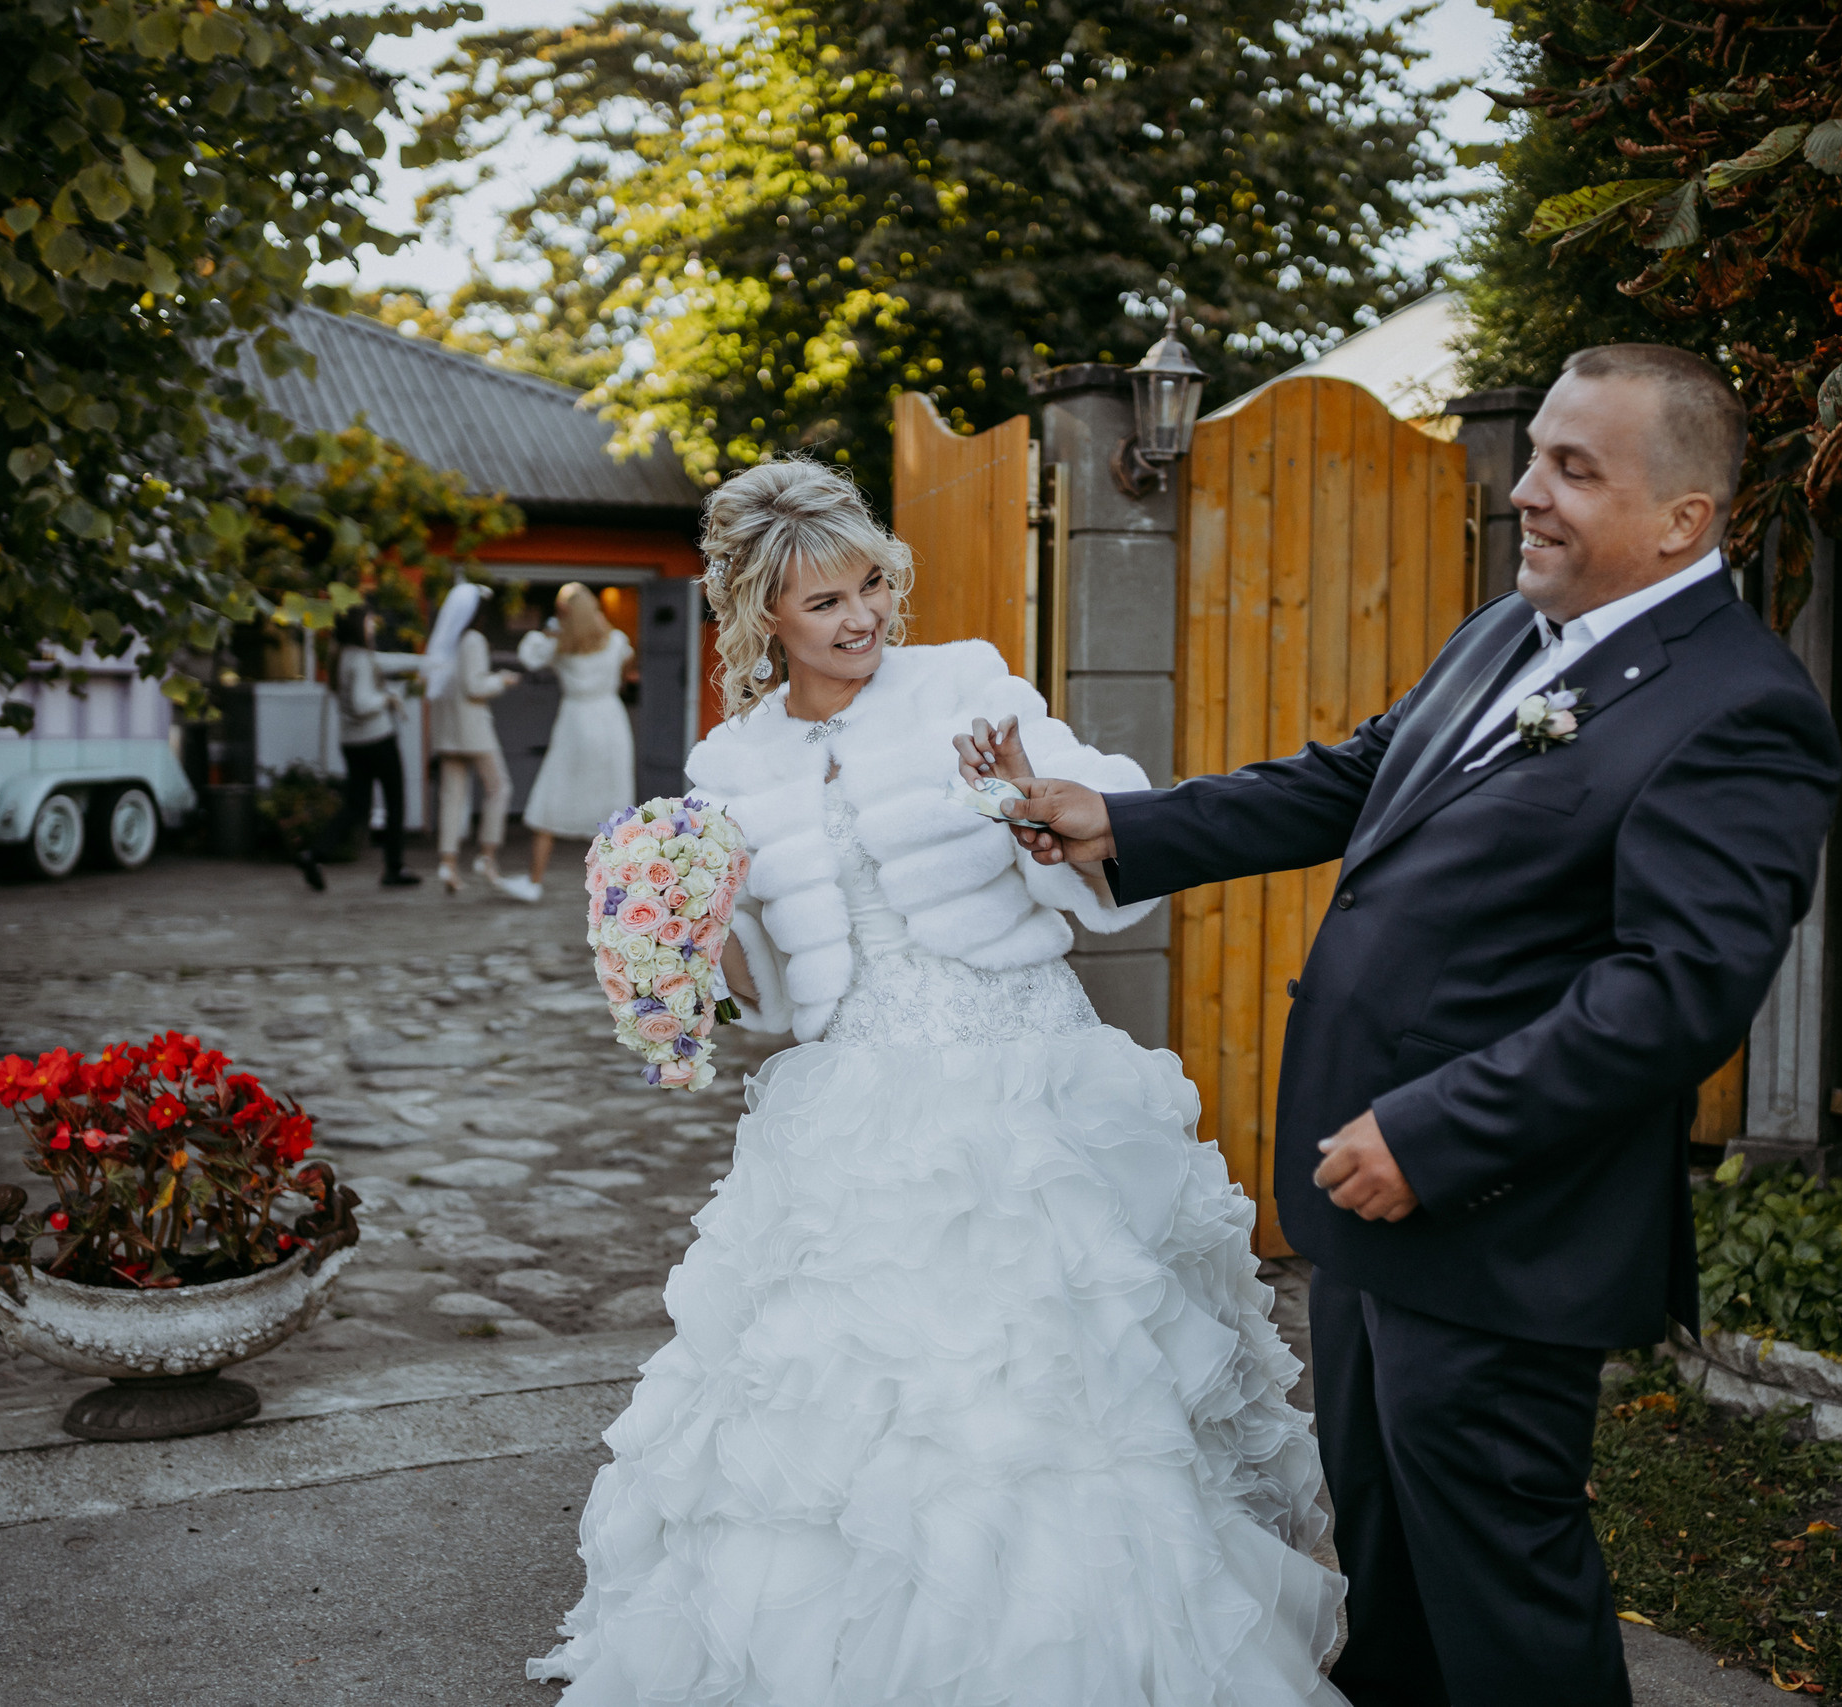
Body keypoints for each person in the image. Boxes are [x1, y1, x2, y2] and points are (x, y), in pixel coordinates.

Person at [985, 344, 1842, 1706]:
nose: (1529, 492)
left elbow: (1671, 987)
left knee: (1503, 1577)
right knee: (1388, 1558)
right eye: (1535, 454)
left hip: (1500, 1217)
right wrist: (1128, 826)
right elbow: (1363, 773)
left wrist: (1438, 1133)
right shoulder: (1513, 630)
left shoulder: (1742, 710)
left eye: (1576, 467)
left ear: (1685, 518)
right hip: (1368, 1196)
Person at [528, 458, 1347, 1705]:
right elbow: (780, 1000)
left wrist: (1029, 803)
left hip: (1027, 1082)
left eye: (869, 586)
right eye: (824, 605)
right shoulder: (731, 765)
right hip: (854, 1101)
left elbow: (1101, 855)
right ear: (763, 620)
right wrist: (692, 933)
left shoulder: (967, 684)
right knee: (848, 1399)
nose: (860, 619)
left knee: (1062, 1390)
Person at [501, 582, 636, 904]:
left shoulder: (558, 647)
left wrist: (551, 629)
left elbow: (528, 656)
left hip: (576, 721)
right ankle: (617, 888)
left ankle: (534, 880)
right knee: (612, 803)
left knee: (553, 791)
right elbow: (628, 661)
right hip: (611, 720)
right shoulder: (615, 641)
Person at [297, 606, 420, 891]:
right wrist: (387, 699)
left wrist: (427, 662)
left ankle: (315, 854)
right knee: (395, 801)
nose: (373, 625)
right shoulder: (361, 658)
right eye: (368, 620)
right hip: (377, 739)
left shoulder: (340, 655)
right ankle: (394, 867)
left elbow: (389, 662)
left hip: (351, 742)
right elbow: (364, 702)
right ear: (357, 625)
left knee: (355, 805)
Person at [423, 581, 522, 898]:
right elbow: (475, 686)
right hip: (474, 730)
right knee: (499, 787)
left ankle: (448, 863)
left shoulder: (446, 640)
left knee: (453, 794)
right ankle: (487, 856)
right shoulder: (474, 639)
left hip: (447, 729)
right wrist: (503, 680)